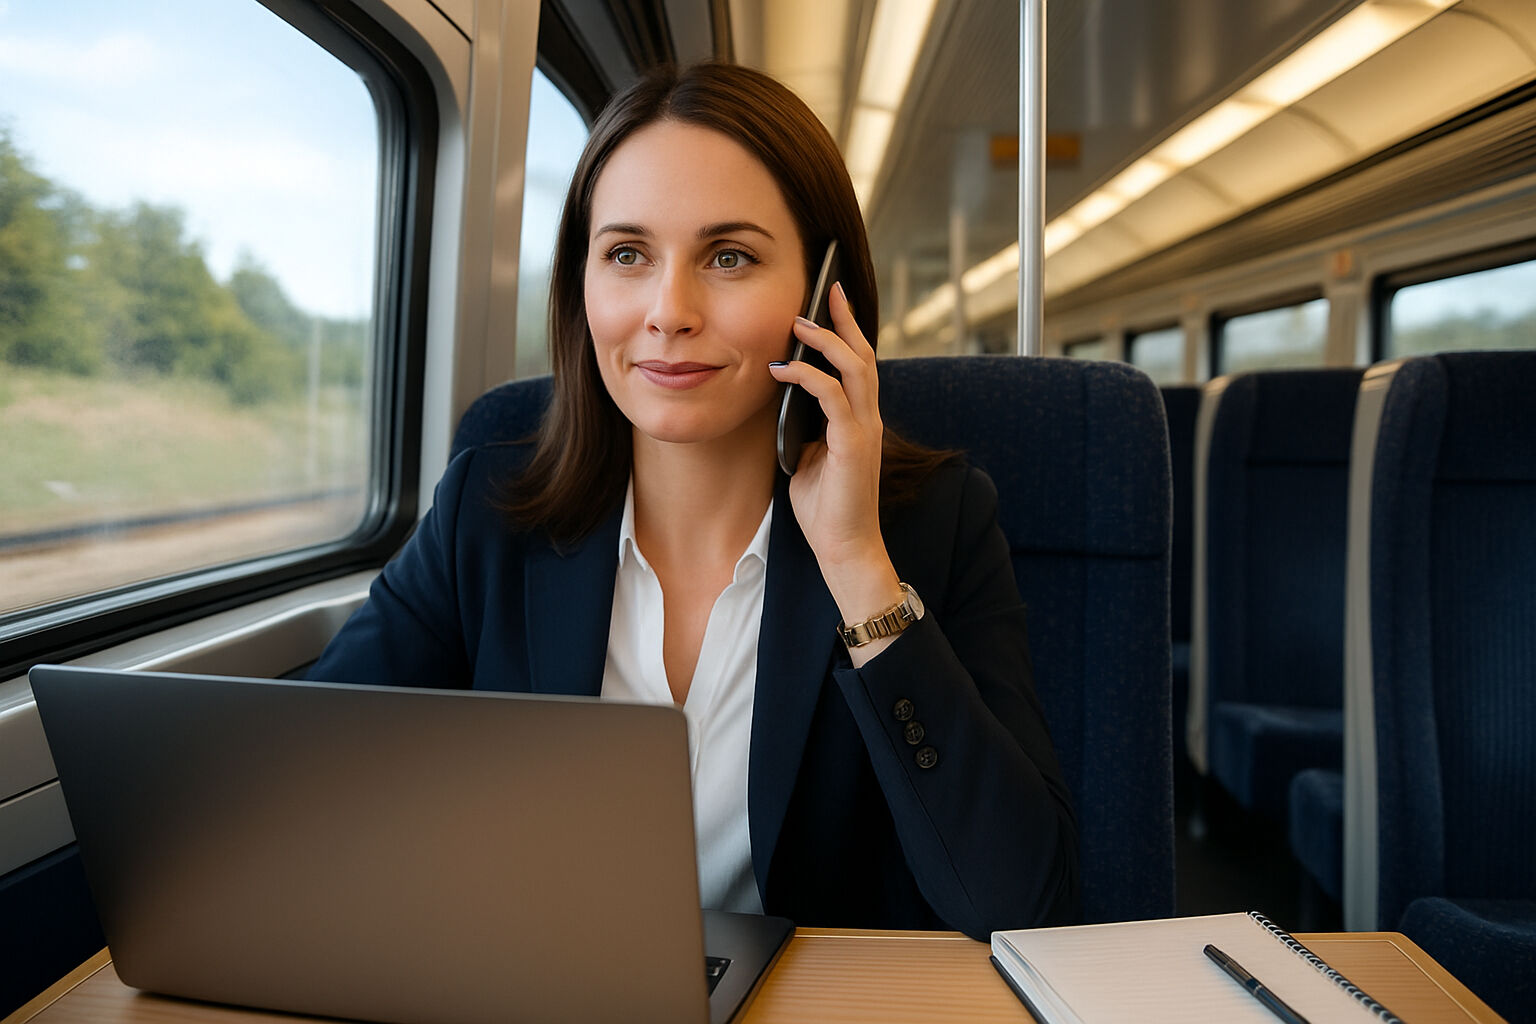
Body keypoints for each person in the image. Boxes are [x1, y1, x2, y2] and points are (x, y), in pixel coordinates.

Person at [307, 62, 1078, 939]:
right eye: (627, 255)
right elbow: (313, 790)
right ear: (583, 284)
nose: (667, 311)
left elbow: (1026, 905)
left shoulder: (932, 525)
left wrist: (858, 568)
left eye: (729, 256)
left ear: (824, 293)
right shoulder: (484, 510)